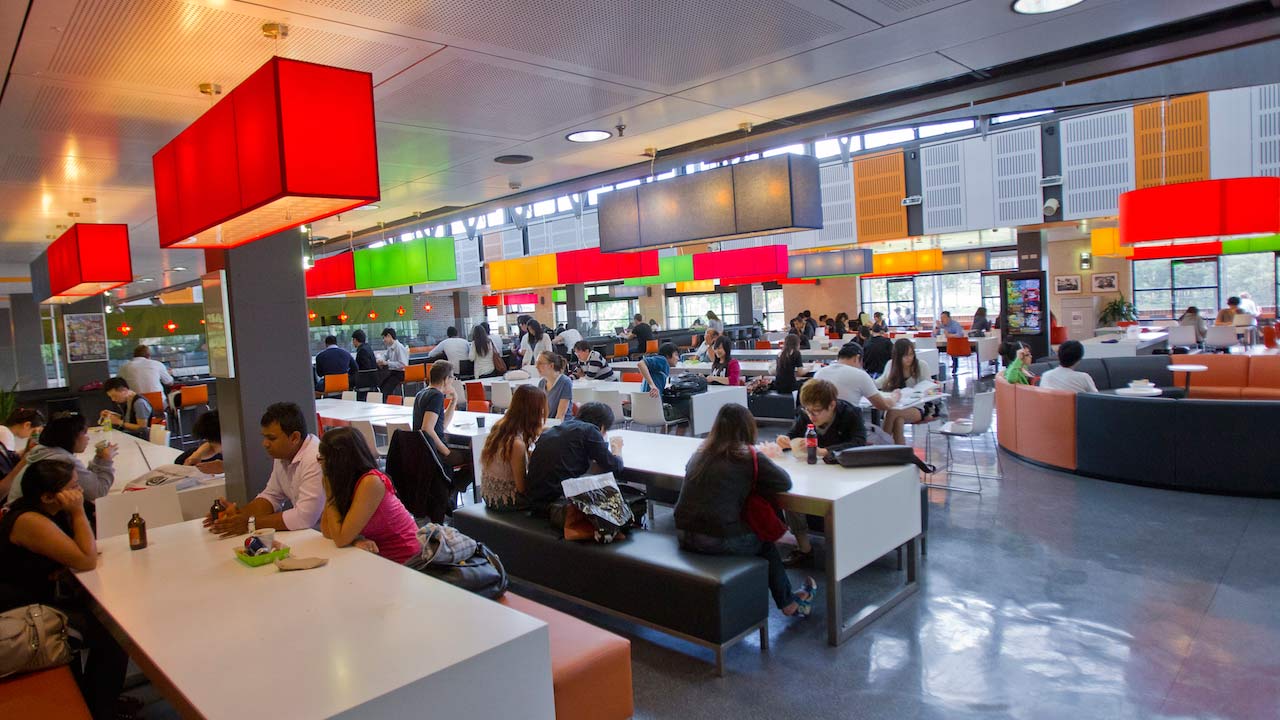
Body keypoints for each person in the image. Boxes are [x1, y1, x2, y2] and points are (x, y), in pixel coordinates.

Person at [0, 460, 130, 719]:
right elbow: (86, 559)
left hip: (37, 598)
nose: (79, 492)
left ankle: (98, 699)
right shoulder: (29, 520)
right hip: (25, 613)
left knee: (106, 628)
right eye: (73, 487)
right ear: (48, 496)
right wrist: (78, 513)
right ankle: (101, 707)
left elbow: (79, 549)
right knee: (114, 634)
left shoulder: (41, 511)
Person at [674, 404, 816, 618]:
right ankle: (788, 603)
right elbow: (784, 482)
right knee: (766, 545)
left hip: (684, 534)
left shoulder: (700, 453)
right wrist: (765, 456)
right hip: (715, 539)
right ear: (748, 427)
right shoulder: (748, 456)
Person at [774, 380, 867, 566]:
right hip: (814, 473)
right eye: (808, 411)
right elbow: (793, 434)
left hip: (844, 476)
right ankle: (804, 548)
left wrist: (824, 451)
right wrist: (786, 440)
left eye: (816, 411)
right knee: (791, 494)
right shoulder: (806, 415)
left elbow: (859, 442)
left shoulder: (850, 414)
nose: (811, 416)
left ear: (832, 404)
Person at [206, 402, 324, 537]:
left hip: (329, 540)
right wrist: (238, 516)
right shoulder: (284, 455)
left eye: (272, 438)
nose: (265, 444)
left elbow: (304, 518)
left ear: (294, 438)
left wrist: (250, 523)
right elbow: (271, 496)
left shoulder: (315, 458)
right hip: (310, 535)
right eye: (265, 437)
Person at [318, 427, 420, 564]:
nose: (320, 464)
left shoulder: (371, 482)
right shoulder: (346, 482)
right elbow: (327, 531)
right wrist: (356, 539)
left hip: (407, 560)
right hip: (377, 556)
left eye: (322, 459)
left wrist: (331, 494)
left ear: (338, 461)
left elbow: (340, 539)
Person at [524, 402, 623, 514]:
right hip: (556, 503)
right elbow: (615, 466)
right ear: (603, 427)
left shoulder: (557, 428)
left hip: (535, 499)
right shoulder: (590, 430)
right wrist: (617, 449)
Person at [8, 414, 115, 504]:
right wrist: (106, 460)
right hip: (29, 519)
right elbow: (97, 492)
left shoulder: (45, 450)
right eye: (84, 433)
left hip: (16, 513)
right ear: (70, 437)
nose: (88, 437)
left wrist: (100, 459)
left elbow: (88, 483)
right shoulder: (62, 460)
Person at [479, 385, 547, 511]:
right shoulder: (516, 443)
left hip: (487, 493)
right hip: (504, 500)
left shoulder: (501, 427)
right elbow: (521, 487)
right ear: (534, 411)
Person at [876, 339, 936, 445]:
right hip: (899, 405)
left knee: (892, 412)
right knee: (898, 420)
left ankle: (881, 446)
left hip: (918, 407)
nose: (909, 358)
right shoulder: (891, 365)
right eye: (905, 356)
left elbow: (929, 387)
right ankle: (900, 453)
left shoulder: (921, 365)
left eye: (911, 354)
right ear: (897, 356)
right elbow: (880, 382)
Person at [813, 342, 895, 412]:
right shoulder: (860, 375)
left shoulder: (819, 373)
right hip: (848, 425)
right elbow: (882, 405)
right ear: (857, 358)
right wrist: (894, 397)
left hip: (822, 425)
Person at [115, 345, 173, 409]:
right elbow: (169, 382)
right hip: (158, 403)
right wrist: (168, 374)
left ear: (134, 355)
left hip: (136, 405)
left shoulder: (124, 367)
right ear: (148, 355)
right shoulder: (157, 364)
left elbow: (118, 384)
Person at [536, 351, 574, 420]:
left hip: (562, 426)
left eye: (540, 363)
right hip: (548, 423)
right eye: (536, 363)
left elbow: (560, 416)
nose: (536, 366)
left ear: (551, 366)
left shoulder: (565, 382)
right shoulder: (541, 383)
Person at [377, 328, 410, 395]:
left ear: (389, 336)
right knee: (381, 385)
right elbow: (385, 356)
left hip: (400, 373)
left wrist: (387, 363)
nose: (384, 340)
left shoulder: (399, 347)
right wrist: (381, 359)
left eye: (384, 337)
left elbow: (403, 364)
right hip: (393, 372)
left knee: (386, 389)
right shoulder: (390, 347)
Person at [934, 310, 966, 375]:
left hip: (955, 345)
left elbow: (960, 334)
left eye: (944, 318)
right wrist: (937, 327)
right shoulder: (942, 325)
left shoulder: (955, 324)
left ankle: (955, 366)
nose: (942, 320)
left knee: (953, 347)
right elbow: (933, 335)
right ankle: (936, 367)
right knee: (935, 350)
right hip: (943, 344)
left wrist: (950, 335)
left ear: (949, 318)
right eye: (941, 318)